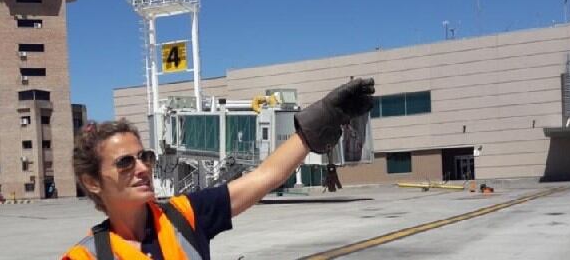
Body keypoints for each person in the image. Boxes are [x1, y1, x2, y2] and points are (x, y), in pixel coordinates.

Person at [62, 77, 375, 260]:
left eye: (144, 156)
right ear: (91, 181)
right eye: (125, 162)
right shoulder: (85, 257)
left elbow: (265, 176)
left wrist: (315, 127)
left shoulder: (184, 215)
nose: (142, 167)